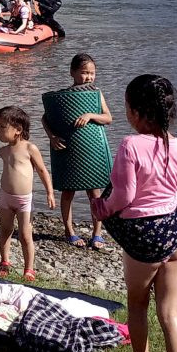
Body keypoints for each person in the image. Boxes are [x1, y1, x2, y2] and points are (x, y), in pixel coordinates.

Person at [90, 75, 177, 352]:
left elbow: (124, 196)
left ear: (135, 112)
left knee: (137, 304)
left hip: (144, 238)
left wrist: (100, 207)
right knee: (170, 312)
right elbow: (173, 189)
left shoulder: (130, 145)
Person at [41, 53, 113, 250]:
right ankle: (69, 230)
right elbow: (45, 118)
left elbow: (108, 118)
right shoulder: (63, 97)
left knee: (95, 191)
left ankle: (97, 233)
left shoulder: (96, 94)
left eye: (92, 73)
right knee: (68, 191)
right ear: (72, 72)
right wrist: (52, 137)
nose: (88, 77)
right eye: (84, 73)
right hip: (68, 147)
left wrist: (90, 115)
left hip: (90, 148)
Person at [0, 105, 55, 281]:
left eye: (2, 127)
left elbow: (43, 171)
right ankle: (4, 261)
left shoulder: (30, 148)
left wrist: (49, 193)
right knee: (5, 230)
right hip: (5, 197)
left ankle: (29, 268)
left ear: (18, 130)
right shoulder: (3, 151)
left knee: (25, 234)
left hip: (24, 200)